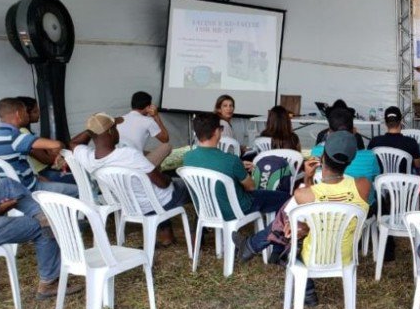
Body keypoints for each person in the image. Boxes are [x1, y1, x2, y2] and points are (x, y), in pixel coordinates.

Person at [233, 132, 370, 298]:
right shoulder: (363, 186)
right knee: (295, 222)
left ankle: (256, 247)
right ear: (350, 160)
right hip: (345, 256)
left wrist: (307, 177)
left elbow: (310, 203)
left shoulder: (303, 194)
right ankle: (253, 246)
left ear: (322, 158)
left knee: (289, 223)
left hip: (312, 256)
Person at [71, 113, 189, 246]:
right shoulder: (129, 155)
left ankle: (167, 237)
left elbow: (73, 142)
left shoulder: (88, 158)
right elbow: (162, 184)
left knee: (151, 192)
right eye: (115, 128)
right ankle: (200, 235)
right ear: (110, 131)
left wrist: (92, 130)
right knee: (189, 186)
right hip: (160, 202)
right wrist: (168, 178)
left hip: (131, 205)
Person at [182, 113, 287, 220]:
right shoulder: (231, 160)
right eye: (221, 128)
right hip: (235, 209)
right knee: (285, 198)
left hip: (206, 210)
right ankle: (276, 232)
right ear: (216, 132)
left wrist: (238, 167)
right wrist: (239, 169)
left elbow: (209, 166)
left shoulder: (187, 158)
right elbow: (251, 187)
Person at [0, 97, 78, 198]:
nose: (27, 115)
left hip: (9, 189)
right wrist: (59, 154)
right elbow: (57, 144)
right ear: (19, 114)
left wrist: (36, 177)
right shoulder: (15, 137)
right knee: (80, 190)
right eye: (25, 112)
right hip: (28, 190)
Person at [310, 107, 380, 206]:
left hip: (324, 211)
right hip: (362, 216)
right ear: (354, 130)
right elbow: (376, 180)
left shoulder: (316, 152)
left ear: (329, 132)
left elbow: (311, 188)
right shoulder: (370, 157)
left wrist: (307, 179)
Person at [119, 91, 172, 167]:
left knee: (147, 153)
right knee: (167, 146)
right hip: (135, 164)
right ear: (148, 108)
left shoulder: (120, 119)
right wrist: (156, 116)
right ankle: (151, 174)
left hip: (119, 160)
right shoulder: (148, 121)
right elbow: (165, 139)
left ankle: (155, 175)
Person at [368, 106, 420, 171]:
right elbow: (418, 165)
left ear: (385, 122)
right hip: (404, 180)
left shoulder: (374, 141)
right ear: (401, 121)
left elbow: (369, 163)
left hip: (381, 180)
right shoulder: (411, 142)